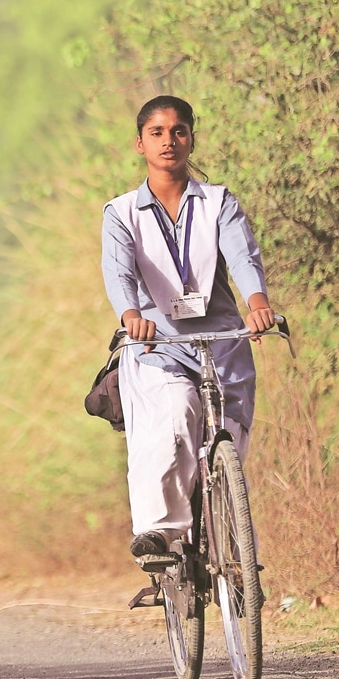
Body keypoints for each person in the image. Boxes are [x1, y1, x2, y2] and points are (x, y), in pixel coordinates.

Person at [100, 95, 278, 564]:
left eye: (179, 131)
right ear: (140, 143)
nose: (169, 141)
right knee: (177, 411)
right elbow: (118, 273)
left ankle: (232, 550)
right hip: (158, 344)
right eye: (157, 132)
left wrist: (258, 304)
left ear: (191, 139)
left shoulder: (219, 202)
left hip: (223, 342)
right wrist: (130, 316)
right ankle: (160, 533)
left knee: (229, 443)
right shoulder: (122, 212)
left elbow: (242, 256)